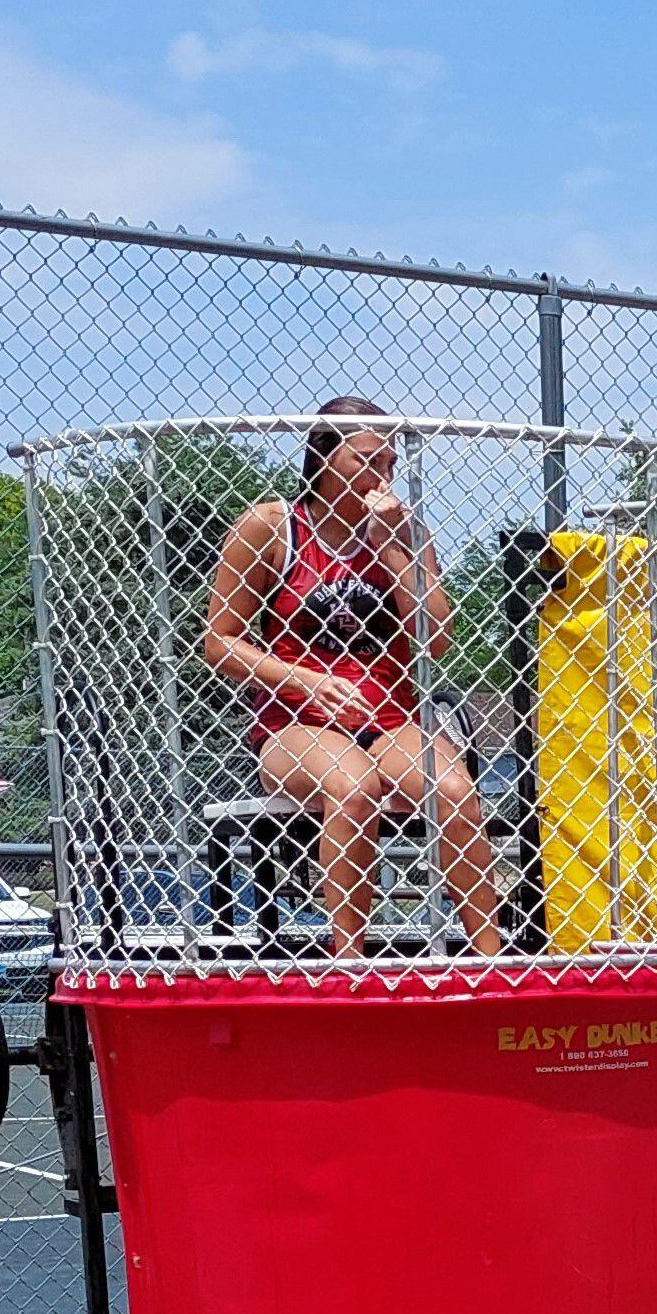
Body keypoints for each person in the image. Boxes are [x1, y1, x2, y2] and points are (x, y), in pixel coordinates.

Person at [201, 398, 500, 958]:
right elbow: (219, 643)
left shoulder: (403, 531)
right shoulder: (272, 526)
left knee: (456, 793)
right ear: (322, 458)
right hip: (299, 722)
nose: (380, 474)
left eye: (388, 463)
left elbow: (435, 638)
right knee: (352, 785)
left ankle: (492, 957)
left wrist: (393, 549)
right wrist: (306, 681)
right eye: (366, 460)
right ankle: (349, 961)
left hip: (390, 717)